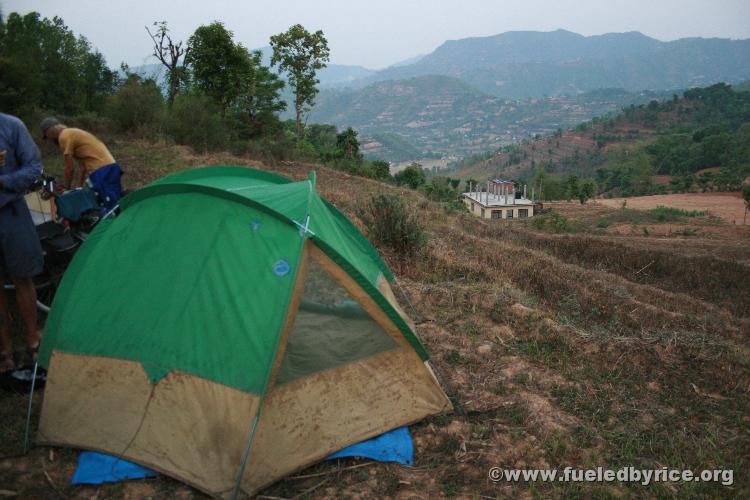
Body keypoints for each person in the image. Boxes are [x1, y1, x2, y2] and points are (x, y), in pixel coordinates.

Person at [0, 113, 44, 372]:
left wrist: (4, 180)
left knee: (23, 278)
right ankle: (4, 350)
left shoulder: (11, 126)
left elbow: (34, 167)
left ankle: (32, 342)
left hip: (12, 212)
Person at [40, 117, 122, 213]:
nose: (49, 140)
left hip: (101, 170)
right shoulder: (72, 133)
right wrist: (79, 187)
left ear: (49, 130)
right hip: (109, 166)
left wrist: (67, 188)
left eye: (47, 136)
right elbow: (82, 167)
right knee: (114, 200)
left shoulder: (64, 136)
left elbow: (69, 168)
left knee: (112, 207)